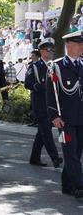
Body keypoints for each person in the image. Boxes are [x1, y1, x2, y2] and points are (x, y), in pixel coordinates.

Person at [46, 30, 83, 198]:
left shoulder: (82, 66)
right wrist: (54, 116)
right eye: (78, 45)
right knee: (70, 152)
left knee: (76, 153)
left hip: (81, 118)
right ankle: (79, 186)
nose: (81, 48)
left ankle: (67, 185)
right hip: (65, 119)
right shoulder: (56, 66)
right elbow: (51, 93)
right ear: (69, 46)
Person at [24, 38, 63, 168]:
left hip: (53, 105)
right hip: (40, 105)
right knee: (46, 131)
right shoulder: (35, 66)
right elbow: (27, 84)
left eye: (52, 49)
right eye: (48, 49)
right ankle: (55, 158)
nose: (51, 51)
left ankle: (34, 158)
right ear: (41, 51)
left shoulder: (55, 65)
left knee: (42, 133)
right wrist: (43, 87)